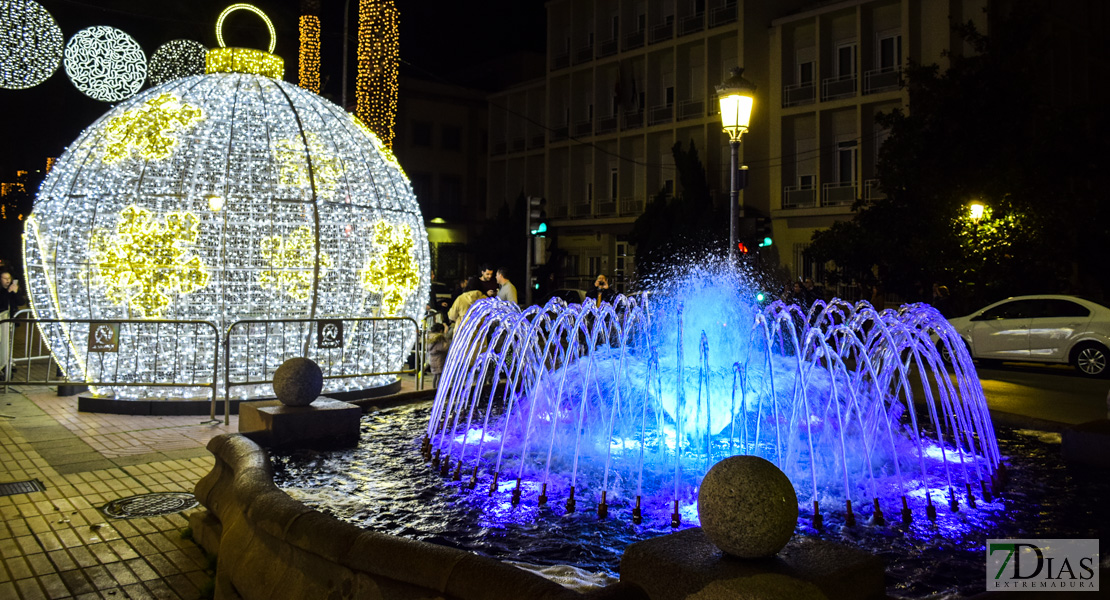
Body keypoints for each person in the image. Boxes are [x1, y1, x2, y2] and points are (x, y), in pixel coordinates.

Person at [1, 268, 24, 381]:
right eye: (5, 278)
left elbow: (20, 302)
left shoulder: (13, 289)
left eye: (9, 278)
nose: (7, 280)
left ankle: (7, 364)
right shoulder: (3, 291)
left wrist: (15, 292)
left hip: (10, 321)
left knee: (9, 343)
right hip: (2, 320)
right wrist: (8, 292)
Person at [426, 322, 449, 387]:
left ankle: (434, 389)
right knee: (439, 376)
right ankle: (436, 391)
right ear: (440, 330)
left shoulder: (430, 336)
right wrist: (445, 337)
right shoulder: (439, 338)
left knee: (435, 376)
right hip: (439, 359)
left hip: (432, 359)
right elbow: (444, 347)